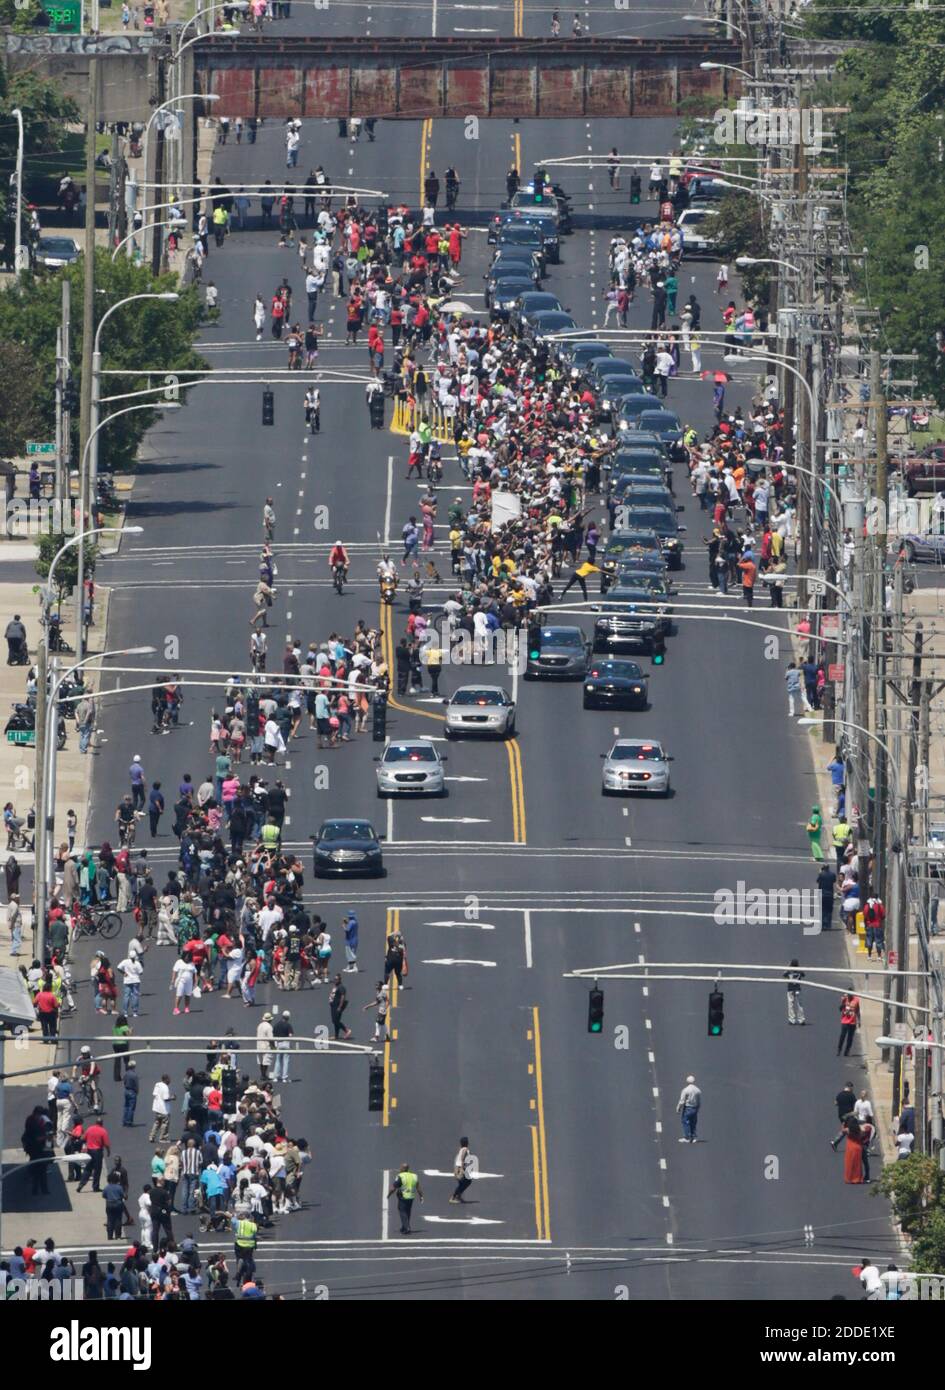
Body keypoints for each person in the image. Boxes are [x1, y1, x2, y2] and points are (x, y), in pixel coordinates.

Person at [387, 1162, 422, 1234]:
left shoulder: (400, 1176)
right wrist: (421, 1196)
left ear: (403, 1168)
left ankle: (407, 1227)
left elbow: (394, 1188)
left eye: (401, 1167)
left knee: (402, 1211)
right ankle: (404, 1227)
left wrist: (389, 1195)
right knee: (408, 1211)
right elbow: (418, 1187)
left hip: (403, 1196)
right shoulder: (414, 1176)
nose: (400, 1168)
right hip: (411, 1197)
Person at [676, 1075, 701, 1143]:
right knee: (693, 1122)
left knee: (685, 1121)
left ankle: (687, 1137)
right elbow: (699, 1101)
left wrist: (678, 1108)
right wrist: (698, 1108)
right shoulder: (698, 1090)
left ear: (687, 1081)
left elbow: (682, 1101)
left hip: (688, 1108)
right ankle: (694, 1137)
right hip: (695, 1108)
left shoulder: (685, 1090)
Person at [451, 1137, 474, 1204]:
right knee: (467, 1181)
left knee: (462, 1183)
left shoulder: (461, 1149)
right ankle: (453, 1197)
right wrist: (461, 1169)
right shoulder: (465, 1149)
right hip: (460, 1168)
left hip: (457, 1168)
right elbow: (462, 1159)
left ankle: (458, 1196)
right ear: (467, 1143)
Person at [837, 991, 860, 1057]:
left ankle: (847, 1051)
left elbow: (858, 1011)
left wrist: (859, 1021)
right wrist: (843, 1003)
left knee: (850, 1038)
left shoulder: (856, 1000)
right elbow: (840, 1009)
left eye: (850, 995)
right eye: (848, 995)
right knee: (842, 1036)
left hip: (852, 1022)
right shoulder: (844, 999)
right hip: (844, 1021)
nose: (849, 997)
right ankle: (839, 1049)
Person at [783, 959, 805, 1025]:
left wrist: (788, 966)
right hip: (798, 989)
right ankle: (801, 1019)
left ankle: (792, 1020)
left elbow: (784, 974)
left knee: (790, 1005)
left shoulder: (789, 971)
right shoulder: (799, 971)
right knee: (800, 1005)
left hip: (790, 989)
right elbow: (803, 974)